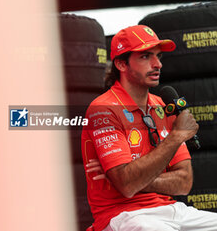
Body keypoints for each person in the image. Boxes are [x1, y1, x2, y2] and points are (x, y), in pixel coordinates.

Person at [81, 25, 217, 231]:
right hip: (122, 216)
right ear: (121, 64)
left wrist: (134, 179)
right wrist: (177, 136)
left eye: (158, 56)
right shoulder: (103, 109)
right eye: (145, 57)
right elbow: (127, 186)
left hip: (172, 210)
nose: (158, 64)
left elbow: (184, 182)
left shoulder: (162, 105)